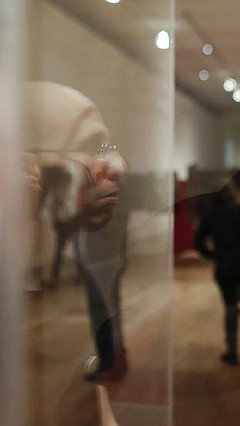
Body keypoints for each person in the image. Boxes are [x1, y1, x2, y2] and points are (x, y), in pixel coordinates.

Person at [26, 81, 129, 381]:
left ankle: (112, 361)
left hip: (102, 259)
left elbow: (101, 222)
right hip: (100, 259)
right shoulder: (99, 184)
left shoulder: (107, 187)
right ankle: (113, 358)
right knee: (106, 311)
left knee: (105, 312)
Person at [195, 183, 240, 365]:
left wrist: (214, 255)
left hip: (225, 265)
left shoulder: (212, 215)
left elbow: (199, 243)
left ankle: (232, 350)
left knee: (230, 306)